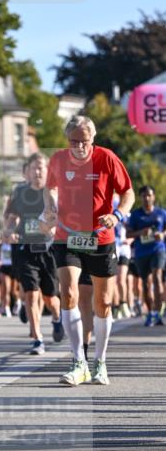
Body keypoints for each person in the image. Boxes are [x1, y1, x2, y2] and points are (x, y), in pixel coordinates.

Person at [43, 114, 134, 386]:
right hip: (67, 235)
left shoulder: (106, 158)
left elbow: (127, 192)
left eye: (84, 142)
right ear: (67, 140)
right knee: (68, 291)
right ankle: (78, 361)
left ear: (92, 139)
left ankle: (100, 362)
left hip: (100, 236)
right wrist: (50, 205)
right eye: (74, 141)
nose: (79, 147)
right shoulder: (58, 159)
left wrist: (117, 215)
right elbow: (50, 187)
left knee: (102, 303)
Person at [3, 152, 64, 355]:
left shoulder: (54, 193)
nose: (37, 171)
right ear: (27, 172)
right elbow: (12, 217)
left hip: (47, 250)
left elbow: (59, 221)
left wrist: (51, 228)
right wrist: (9, 231)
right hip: (25, 249)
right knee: (30, 293)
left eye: (41, 167)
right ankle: (37, 339)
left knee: (50, 298)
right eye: (33, 168)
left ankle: (56, 318)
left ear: (48, 170)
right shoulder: (19, 193)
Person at [125, 185, 166, 326]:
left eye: (149, 195)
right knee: (146, 284)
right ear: (141, 198)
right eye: (144, 195)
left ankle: (158, 313)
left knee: (157, 278)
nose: (147, 198)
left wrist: (163, 234)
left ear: (153, 197)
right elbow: (128, 234)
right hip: (141, 253)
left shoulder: (161, 213)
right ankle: (151, 313)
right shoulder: (136, 215)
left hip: (158, 250)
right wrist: (140, 233)